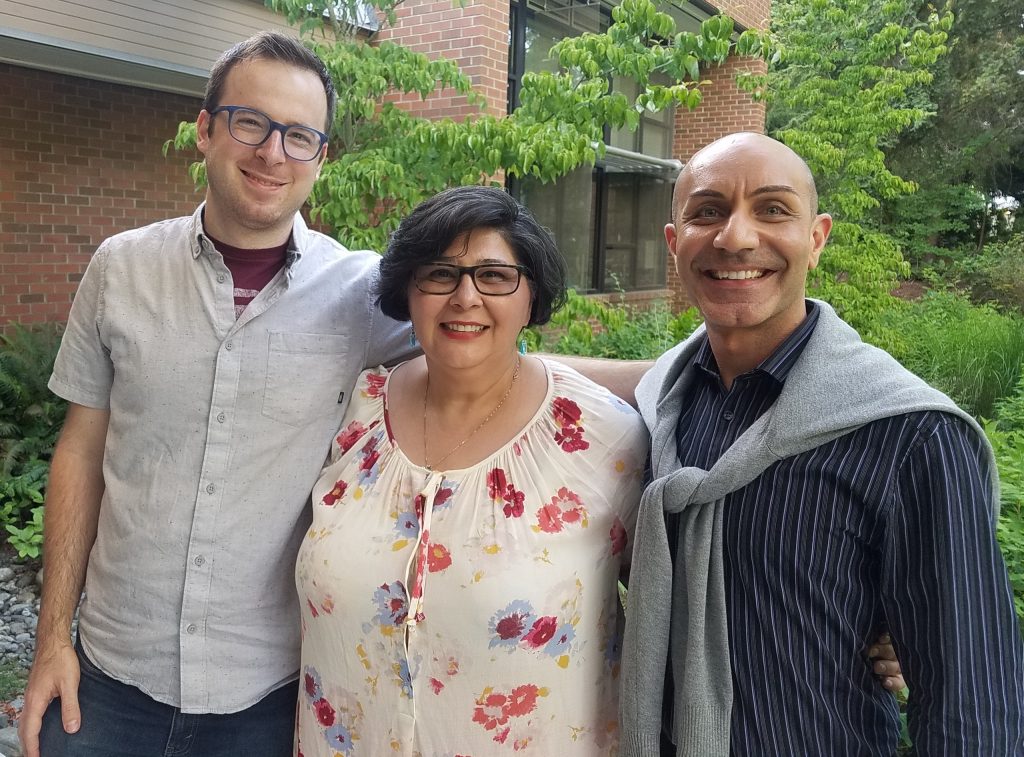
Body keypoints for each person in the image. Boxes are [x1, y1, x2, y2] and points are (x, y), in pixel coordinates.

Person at [19, 31, 412, 756]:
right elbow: (79, 451)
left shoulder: (364, 296)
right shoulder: (120, 268)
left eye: (300, 136)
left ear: (322, 158)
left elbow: (483, 353)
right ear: (205, 129)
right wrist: (52, 640)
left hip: (267, 696)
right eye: (251, 122)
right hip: (107, 680)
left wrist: (668, 373)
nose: (272, 153)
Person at [620, 132, 1024, 755]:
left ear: (817, 237)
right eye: (707, 211)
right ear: (675, 242)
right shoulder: (660, 408)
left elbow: (973, 707)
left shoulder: (908, 435)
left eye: (773, 209)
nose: (736, 237)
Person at [294, 185, 648, 755]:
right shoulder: (355, 414)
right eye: (439, 274)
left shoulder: (605, 440)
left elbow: (667, 610)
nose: (465, 297)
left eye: (495, 276)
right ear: (408, 293)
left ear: (531, 296)